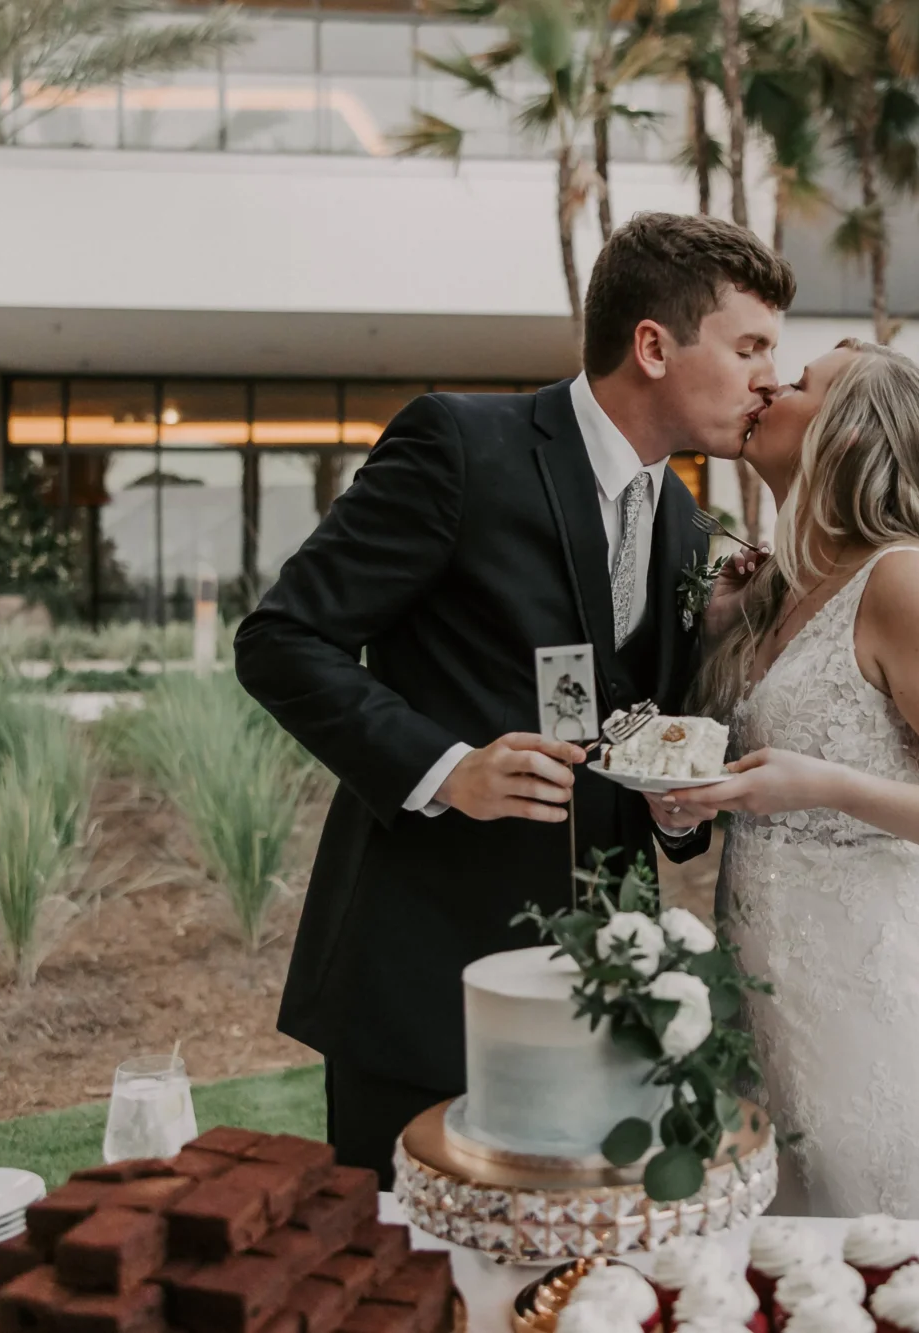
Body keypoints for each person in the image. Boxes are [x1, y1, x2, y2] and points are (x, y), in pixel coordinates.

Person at [233, 213, 795, 1180]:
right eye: (749, 347)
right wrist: (447, 769)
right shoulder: (460, 444)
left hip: (605, 991)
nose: (768, 379)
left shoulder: (681, 522)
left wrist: (672, 803)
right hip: (424, 977)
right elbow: (281, 638)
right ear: (653, 346)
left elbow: (630, 717)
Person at [653, 339, 919, 1220]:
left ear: (847, 435)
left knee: (877, 1281)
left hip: (878, 1017)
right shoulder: (774, 588)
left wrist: (827, 784)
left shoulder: (904, 580)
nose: (768, 385)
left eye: (798, 384)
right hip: (770, 1008)